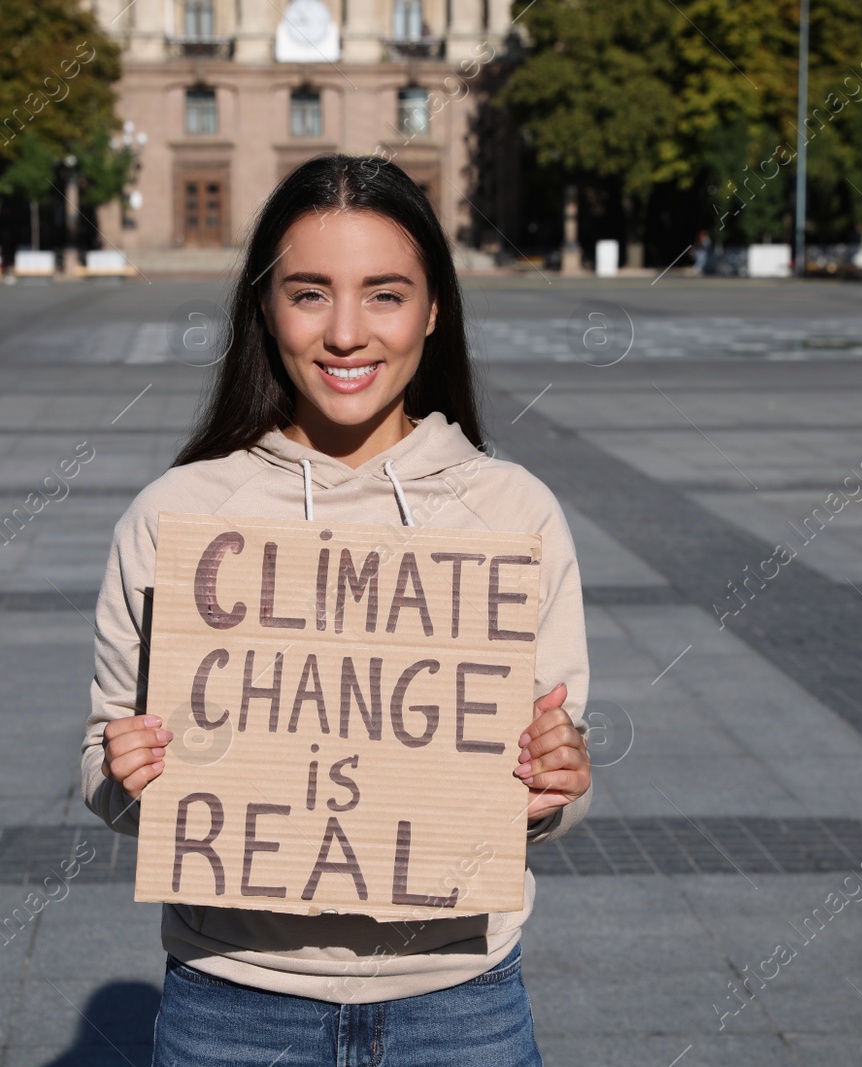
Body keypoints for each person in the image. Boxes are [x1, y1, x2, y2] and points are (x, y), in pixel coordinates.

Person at [82, 154, 592, 1066]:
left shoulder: (515, 514)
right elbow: (102, 765)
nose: (347, 333)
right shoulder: (177, 516)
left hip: (458, 1006)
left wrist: (553, 783)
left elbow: (547, 787)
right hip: (232, 1004)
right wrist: (128, 773)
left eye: (385, 294)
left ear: (434, 309)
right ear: (264, 306)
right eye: (310, 292)